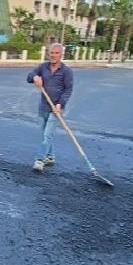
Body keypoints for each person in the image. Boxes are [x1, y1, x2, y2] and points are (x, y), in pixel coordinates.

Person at [26, 43, 74, 172]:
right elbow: (29, 76)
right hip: (43, 106)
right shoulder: (43, 67)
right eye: (51, 52)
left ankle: (40, 160)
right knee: (45, 135)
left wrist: (60, 104)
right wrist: (35, 77)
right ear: (48, 54)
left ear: (61, 55)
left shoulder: (66, 71)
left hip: (56, 108)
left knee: (48, 135)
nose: (53, 55)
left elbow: (68, 90)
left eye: (56, 53)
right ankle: (51, 156)